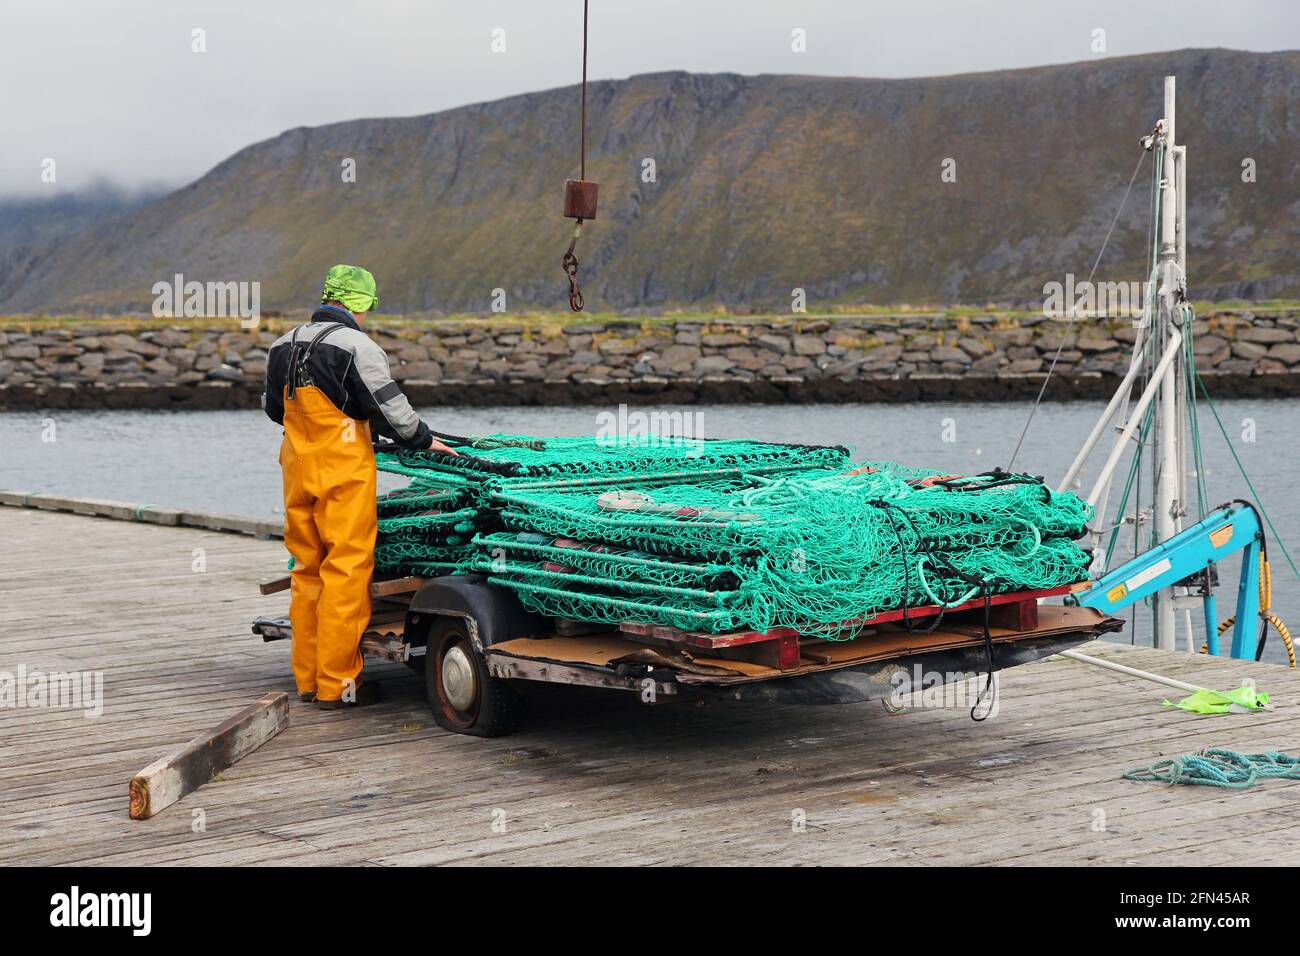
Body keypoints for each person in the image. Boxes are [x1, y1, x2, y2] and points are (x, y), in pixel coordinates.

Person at [262, 264, 457, 710]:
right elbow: (391, 410)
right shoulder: (356, 345)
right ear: (358, 304)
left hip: (296, 468)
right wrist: (426, 441)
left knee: (306, 570)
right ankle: (337, 685)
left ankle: (308, 680)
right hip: (342, 471)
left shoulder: (281, 344)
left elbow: (275, 410)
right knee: (346, 571)